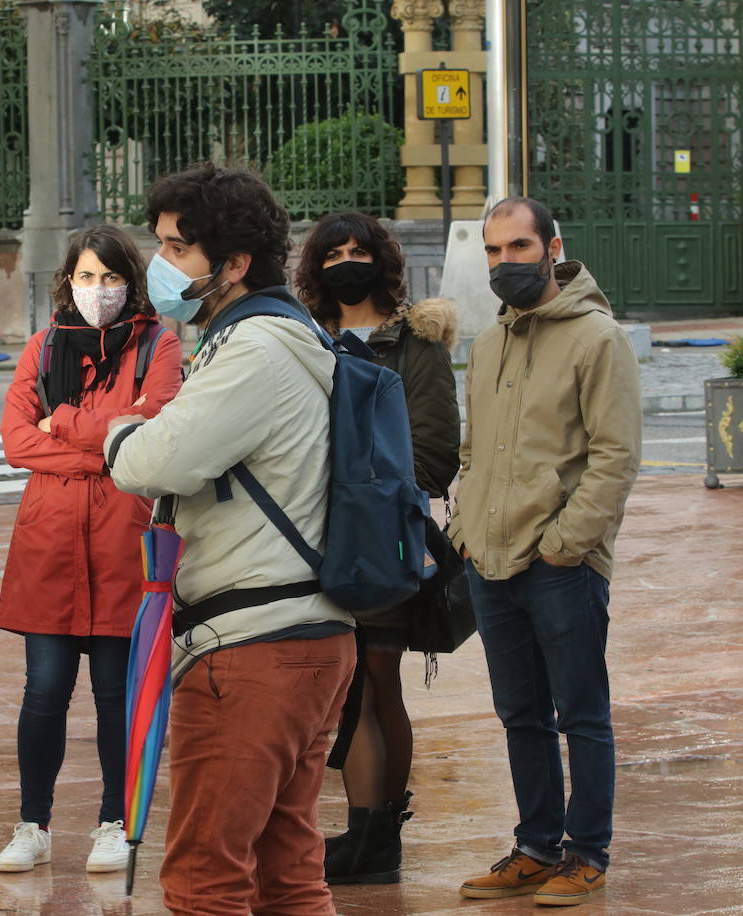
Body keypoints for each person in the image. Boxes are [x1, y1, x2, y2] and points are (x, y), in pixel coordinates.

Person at [102, 164, 356, 915]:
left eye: (178, 248)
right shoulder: (284, 336)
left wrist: (119, 429)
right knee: (288, 872)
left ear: (235, 263)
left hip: (251, 650)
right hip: (304, 634)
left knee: (204, 879)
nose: (160, 264)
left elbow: (153, 461)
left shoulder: (257, 351)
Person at [451, 197, 641, 907]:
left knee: (581, 713)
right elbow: (474, 449)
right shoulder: (490, 343)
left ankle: (586, 853)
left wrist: (567, 544)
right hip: (491, 562)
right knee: (519, 714)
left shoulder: (598, 339)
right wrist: (466, 530)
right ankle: (535, 846)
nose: (505, 263)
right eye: (494, 251)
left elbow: (615, 459)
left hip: (561, 567)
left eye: (519, 248)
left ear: (553, 247)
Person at [0, 224, 184, 874]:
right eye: (85, 277)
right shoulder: (43, 347)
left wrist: (68, 424)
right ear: (66, 281)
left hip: (121, 544)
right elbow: (17, 441)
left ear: (130, 282)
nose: (97, 291)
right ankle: (32, 822)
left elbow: (155, 422)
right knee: (43, 691)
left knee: (114, 693)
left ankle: (113, 820)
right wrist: (102, 451)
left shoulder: (158, 344)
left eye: (108, 277)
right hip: (47, 544)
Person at [295, 211, 460, 885]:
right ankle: (378, 833)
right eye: (333, 253)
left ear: (383, 261)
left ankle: (373, 838)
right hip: (316, 539)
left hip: (384, 537)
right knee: (363, 686)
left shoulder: (415, 345)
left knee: (370, 685)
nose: (347, 262)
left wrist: (364, 485)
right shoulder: (306, 340)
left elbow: (436, 453)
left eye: (360, 251)